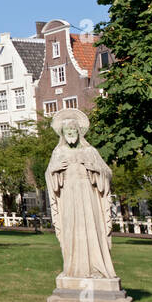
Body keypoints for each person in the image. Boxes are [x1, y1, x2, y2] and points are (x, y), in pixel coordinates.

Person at [45, 107, 117, 279]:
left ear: (79, 132)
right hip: (68, 197)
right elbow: (49, 176)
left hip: (88, 196)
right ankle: (72, 268)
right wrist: (54, 170)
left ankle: (96, 267)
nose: (70, 133)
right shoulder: (58, 152)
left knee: (92, 229)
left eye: (73, 130)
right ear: (62, 133)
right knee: (71, 231)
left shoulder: (89, 151)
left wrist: (95, 170)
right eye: (67, 130)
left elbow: (107, 173)